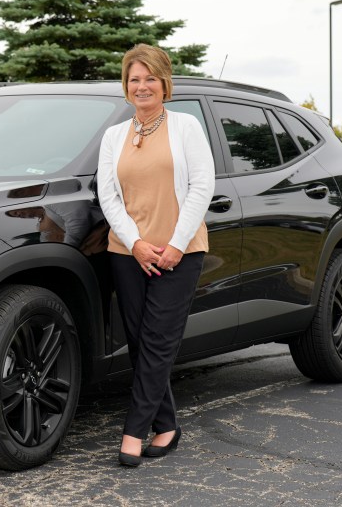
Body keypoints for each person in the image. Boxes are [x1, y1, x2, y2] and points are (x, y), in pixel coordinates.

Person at [97, 44, 214, 467]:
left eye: (149, 78)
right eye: (134, 79)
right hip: (128, 253)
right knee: (141, 342)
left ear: (165, 83)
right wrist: (135, 243)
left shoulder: (186, 128)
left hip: (179, 253)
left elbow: (202, 186)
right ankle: (166, 427)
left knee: (159, 342)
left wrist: (176, 245)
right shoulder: (114, 136)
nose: (142, 86)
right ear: (125, 87)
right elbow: (107, 195)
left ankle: (133, 431)